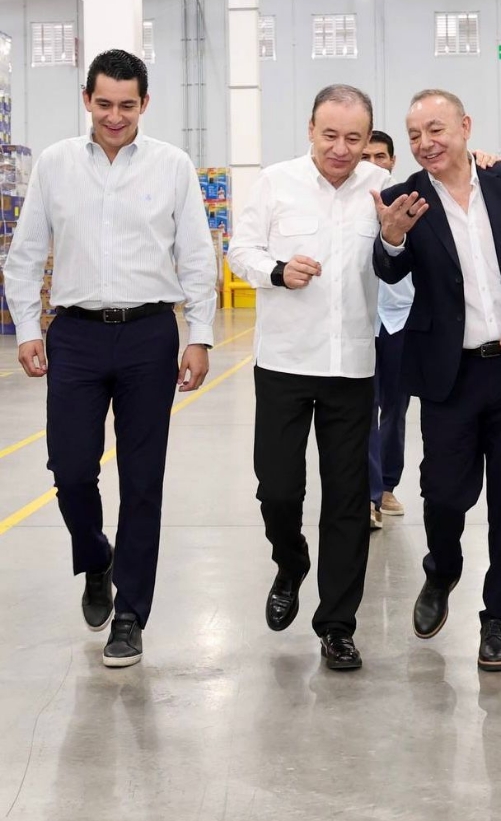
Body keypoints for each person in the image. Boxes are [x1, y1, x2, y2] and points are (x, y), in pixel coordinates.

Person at [3, 48, 216, 669]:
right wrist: (27, 328)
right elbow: (25, 254)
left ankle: (130, 615)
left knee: (143, 478)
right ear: (86, 100)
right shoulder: (56, 164)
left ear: (144, 104)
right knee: (70, 470)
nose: (115, 117)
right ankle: (96, 559)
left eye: (127, 105)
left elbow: (196, 255)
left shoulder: (172, 166)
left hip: (150, 335)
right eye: (104, 104)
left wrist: (200, 335)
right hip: (76, 335)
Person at [372, 89, 501, 672]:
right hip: (448, 374)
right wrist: (391, 237)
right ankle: (442, 570)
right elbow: (388, 270)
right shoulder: (404, 198)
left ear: (465, 126)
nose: (425, 143)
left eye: (436, 129)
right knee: (443, 493)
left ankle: (498, 619)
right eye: (414, 135)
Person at [227, 85, 389, 672]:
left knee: (347, 501)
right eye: (330, 135)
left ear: (367, 139)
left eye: (353, 138)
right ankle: (290, 560)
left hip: (351, 367)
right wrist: (276, 270)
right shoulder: (276, 182)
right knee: (277, 488)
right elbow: (239, 250)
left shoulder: (382, 188)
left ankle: (337, 626)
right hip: (284, 363)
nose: (341, 149)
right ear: (310, 130)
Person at [362, 130, 413, 527]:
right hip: (361, 319)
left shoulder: (410, 202)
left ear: (393, 161)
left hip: (400, 317)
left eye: (380, 156)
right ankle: (369, 493)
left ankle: (388, 484)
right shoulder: (346, 205)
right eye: (366, 157)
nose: (373, 164)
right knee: (363, 407)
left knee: (395, 407)